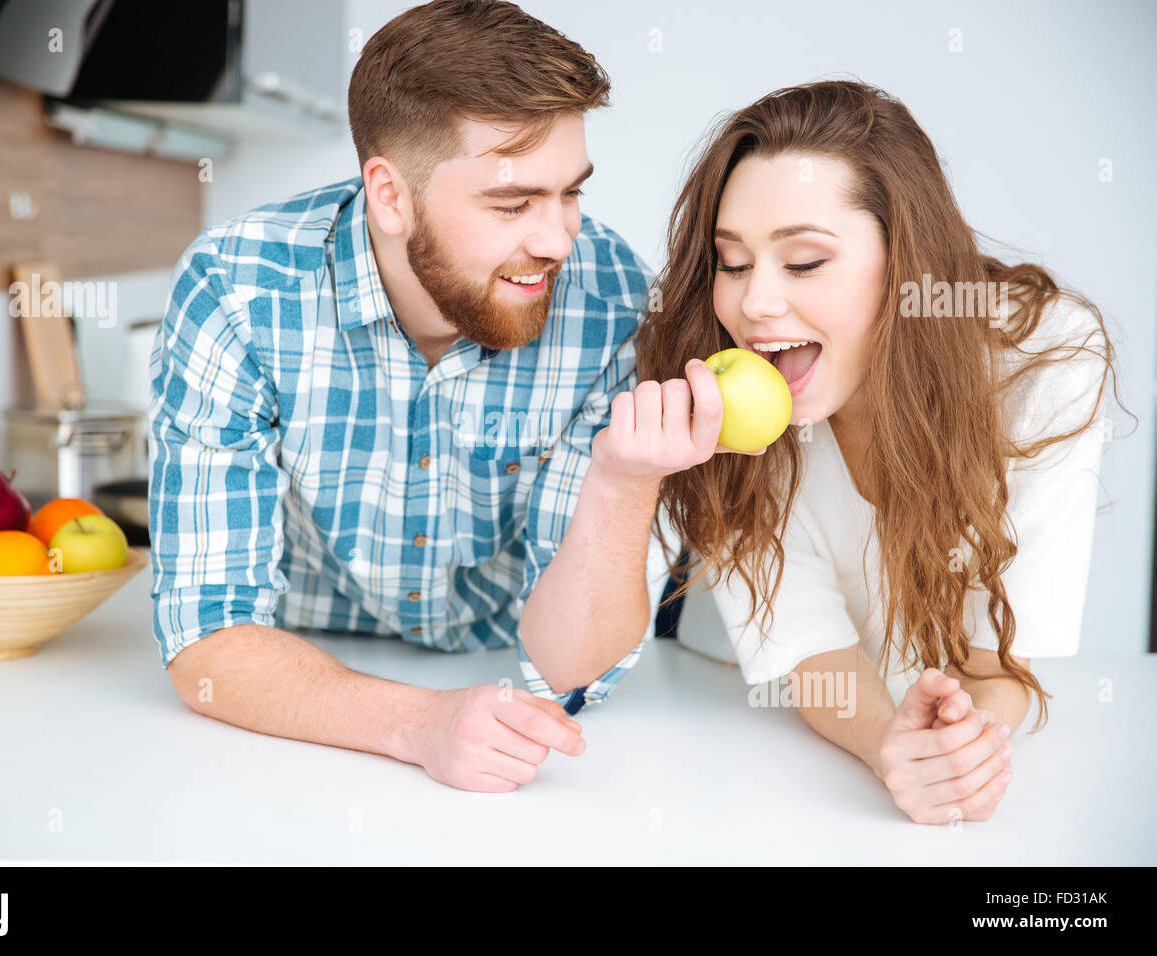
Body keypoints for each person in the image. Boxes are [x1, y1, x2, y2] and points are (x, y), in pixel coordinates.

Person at [147, 0, 749, 794]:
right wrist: (417, 724)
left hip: (504, 667)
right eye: (512, 203)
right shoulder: (235, 290)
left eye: (571, 193)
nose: (557, 239)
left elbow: (570, 676)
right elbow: (210, 643)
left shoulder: (610, 302)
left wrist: (624, 479)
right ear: (389, 196)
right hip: (303, 691)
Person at [636, 80, 1129, 824]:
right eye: (732, 263)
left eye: (803, 262)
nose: (755, 304)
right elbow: (807, 647)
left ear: (906, 263)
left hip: (916, 670)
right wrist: (885, 745)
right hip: (725, 658)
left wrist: (953, 745)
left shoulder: (1048, 362)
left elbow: (999, 662)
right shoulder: (722, 375)